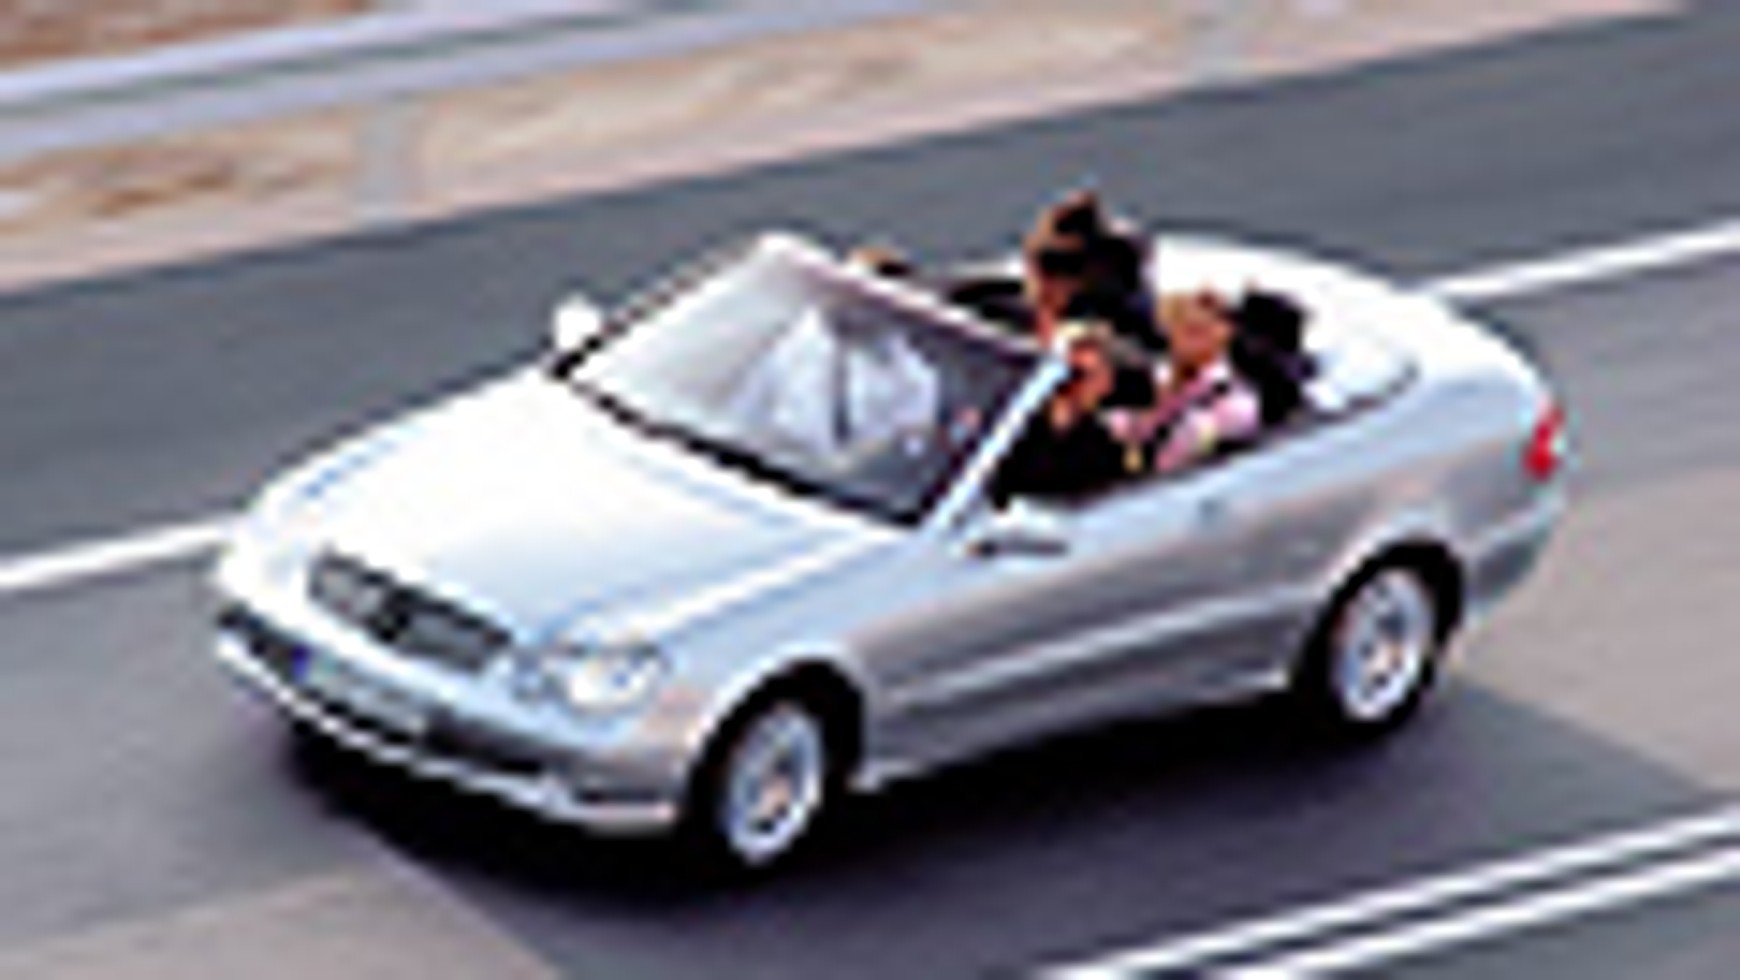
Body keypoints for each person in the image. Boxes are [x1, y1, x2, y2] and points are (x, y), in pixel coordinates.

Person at [1108, 290, 1261, 475]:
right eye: (1176, 327)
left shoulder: (1233, 403)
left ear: (1223, 333)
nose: (1182, 342)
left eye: (1196, 331)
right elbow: (1129, 428)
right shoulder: (1154, 379)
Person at [990, 322, 1128, 504]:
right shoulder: (1014, 423)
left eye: (1087, 375)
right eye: (1072, 374)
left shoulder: (1102, 445)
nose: (1075, 385)